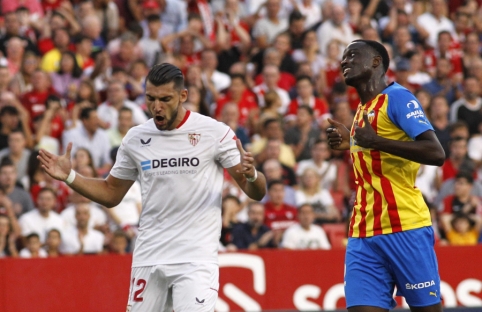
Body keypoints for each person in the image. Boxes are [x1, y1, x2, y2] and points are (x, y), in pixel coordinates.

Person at [38, 63, 266, 312]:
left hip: (195, 258)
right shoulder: (136, 138)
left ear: (183, 96)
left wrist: (252, 175)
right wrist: (70, 176)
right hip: (149, 255)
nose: (157, 106)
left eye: (165, 99)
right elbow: (111, 193)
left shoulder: (214, 133)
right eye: (151, 98)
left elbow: (256, 191)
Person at [326, 40, 445, 312]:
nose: (344, 61)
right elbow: (373, 148)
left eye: (353, 55)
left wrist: (375, 141)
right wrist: (353, 142)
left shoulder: (399, 98)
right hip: (362, 232)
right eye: (343, 58)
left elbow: (436, 153)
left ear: (376, 62)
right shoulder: (362, 110)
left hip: (404, 226)